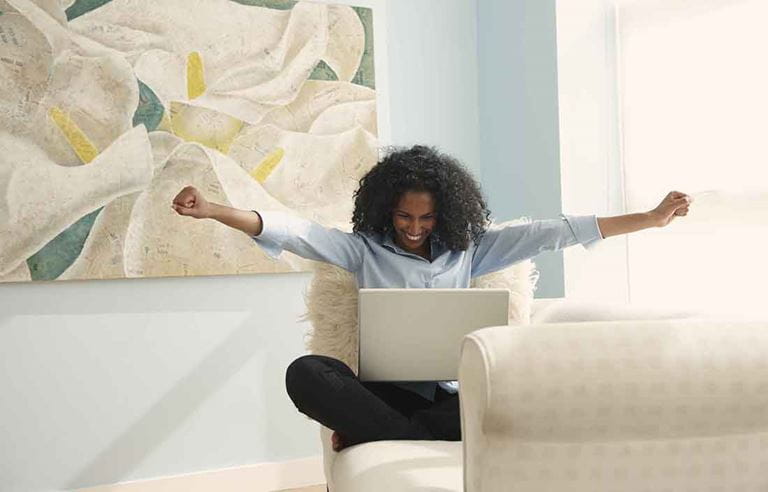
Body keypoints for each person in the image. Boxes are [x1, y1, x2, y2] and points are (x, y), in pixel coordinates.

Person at [171, 145, 691, 451]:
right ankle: (391, 428)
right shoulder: (360, 251)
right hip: (382, 390)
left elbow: (553, 232)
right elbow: (290, 231)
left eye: (426, 218)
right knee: (306, 373)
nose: (415, 229)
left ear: (446, 213)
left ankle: (381, 436)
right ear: (385, 211)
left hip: (448, 394)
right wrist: (214, 209)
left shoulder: (472, 251)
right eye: (404, 217)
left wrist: (648, 218)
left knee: (512, 397)